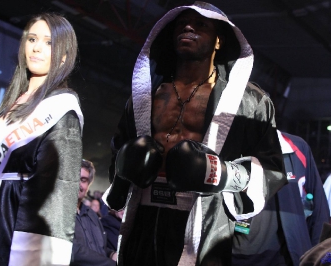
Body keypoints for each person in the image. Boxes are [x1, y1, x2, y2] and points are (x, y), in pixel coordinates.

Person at [103, 2, 287, 265]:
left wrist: (221, 174)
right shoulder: (144, 97)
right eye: (181, 24)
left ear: (219, 41)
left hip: (205, 221)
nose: (188, 27)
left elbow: (272, 168)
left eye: (201, 24)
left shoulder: (250, 101)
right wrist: (126, 165)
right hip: (143, 218)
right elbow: (118, 153)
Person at [0, 13, 83, 265]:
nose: (36, 47)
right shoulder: (10, 103)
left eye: (48, 42)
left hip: (17, 225)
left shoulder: (61, 109)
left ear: (64, 54)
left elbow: (56, 192)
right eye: (32, 39)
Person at [232, 131, 330, 266]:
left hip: (288, 255)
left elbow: (319, 211)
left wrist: (319, 256)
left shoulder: (297, 147)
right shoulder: (225, 146)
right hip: (239, 256)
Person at [71, 160, 116, 266]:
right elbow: (73, 251)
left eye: (83, 180)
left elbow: (101, 248)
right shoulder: (59, 212)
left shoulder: (92, 214)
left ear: (88, 185)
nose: (78, 184)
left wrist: (112, 254)